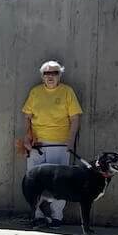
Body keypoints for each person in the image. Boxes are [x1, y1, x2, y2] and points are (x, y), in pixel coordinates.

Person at [20, 60, 83, 226]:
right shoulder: (35, 92)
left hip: (60, 144)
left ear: (59, 76)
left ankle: (57, 217)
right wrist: (27, 136)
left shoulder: (67, 92)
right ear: (42, 76)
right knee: (34, 181)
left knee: (60, 184)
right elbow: (27, 117)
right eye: (47, 73)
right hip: (37, 144)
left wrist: (70, 141)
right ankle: (38, 215)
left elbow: (75, 118)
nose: (50, 76)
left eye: (54, 73)